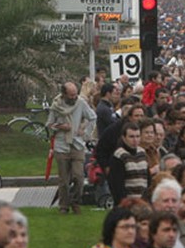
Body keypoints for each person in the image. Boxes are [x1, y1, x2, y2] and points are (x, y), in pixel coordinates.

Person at [47, 81, 97, 214]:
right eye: (71, 95)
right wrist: (60, 127)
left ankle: (75, 201)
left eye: (75, 94)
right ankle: (64, 206)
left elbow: (92, 117)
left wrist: (85, 132)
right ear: (64, 94)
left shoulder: (80, 103)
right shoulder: (55, 106)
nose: (74, 98)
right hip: (61, 145)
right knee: (64, 180)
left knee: (78, 177)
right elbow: (49, 124)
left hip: (77, 145)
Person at [108, 122, 150, 206]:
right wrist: (123, 202)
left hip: (143, 200)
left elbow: (148, 177)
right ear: (124, 138)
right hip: (127, 201)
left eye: (137, 136)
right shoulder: (119, 155)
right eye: (131, 137)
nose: (135, 140)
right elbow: (116, 184)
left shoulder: (142, 152)